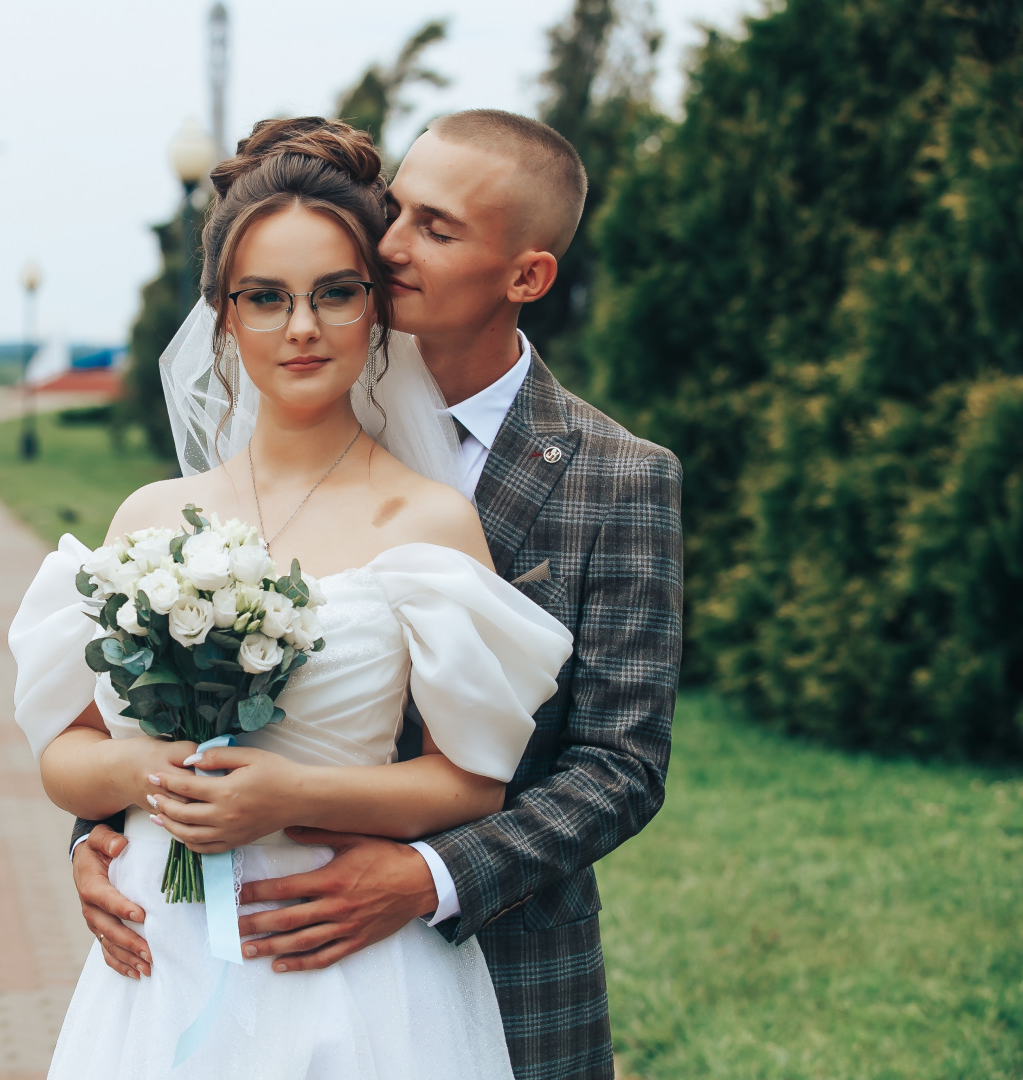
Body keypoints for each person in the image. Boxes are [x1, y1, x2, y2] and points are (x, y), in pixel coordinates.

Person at [68, 110, 684, 1080]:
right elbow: (161, 693)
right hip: (207, 944)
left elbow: (620, 764)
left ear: (525, 276)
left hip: (483, 967)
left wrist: (425, 878)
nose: (390, 243)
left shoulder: (616, 479)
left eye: (436, 229)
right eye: (394, 209)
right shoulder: (293, 389)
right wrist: (105, 839)